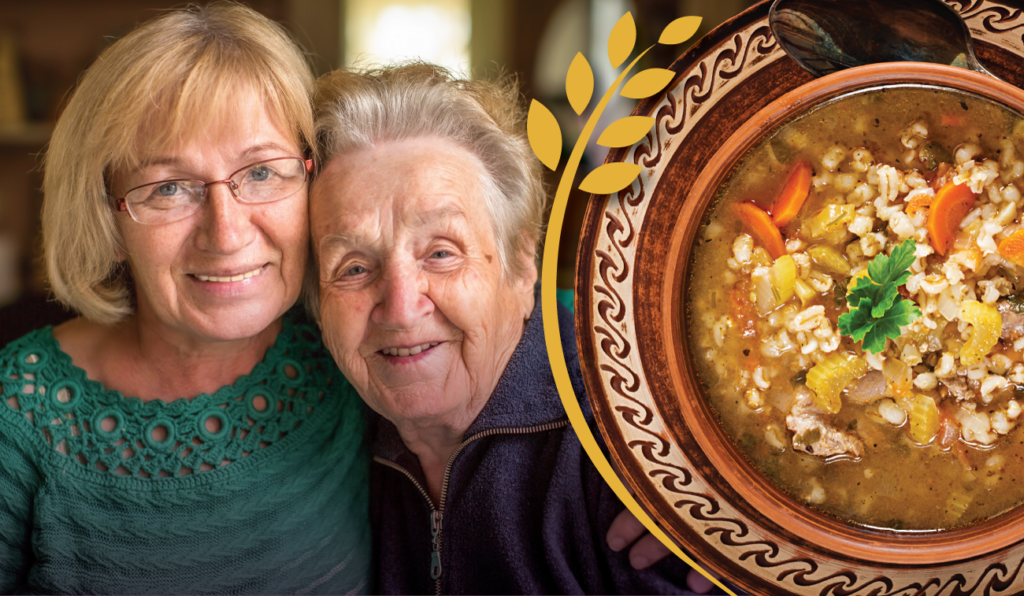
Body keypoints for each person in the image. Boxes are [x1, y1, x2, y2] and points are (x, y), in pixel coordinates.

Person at [0, 4, 369, 593]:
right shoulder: (18, 411)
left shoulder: (352, 349)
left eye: (261, 173)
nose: (226, 234)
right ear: (107, 219)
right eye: (169, 187)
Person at [308, 62, 712, 594]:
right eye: (354, 269)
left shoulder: (635, 444)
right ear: (315, 304)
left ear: (523, 268)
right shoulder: (318, 434)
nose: (402, 309)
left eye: (441, 253)